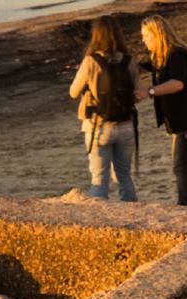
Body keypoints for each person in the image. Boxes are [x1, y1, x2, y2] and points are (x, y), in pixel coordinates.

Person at [135, 15, 187, 208]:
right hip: (183, 120)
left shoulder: (177, 55)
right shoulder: (162, 57)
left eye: (146, 36)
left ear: (157, 35)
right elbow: (143, 66)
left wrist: (150, 91)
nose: (143, 40)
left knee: (182, 167)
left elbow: (177, 83)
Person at [69, 15, 138, 202]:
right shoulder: (129, 61)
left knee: (99, 178)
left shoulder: (91, 61)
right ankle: (132, 216)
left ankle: (101, 222)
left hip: (98, 127)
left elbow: (73, 92)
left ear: (96, 35)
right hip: (126, 125)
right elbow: (135, 93)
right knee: (124, 176)